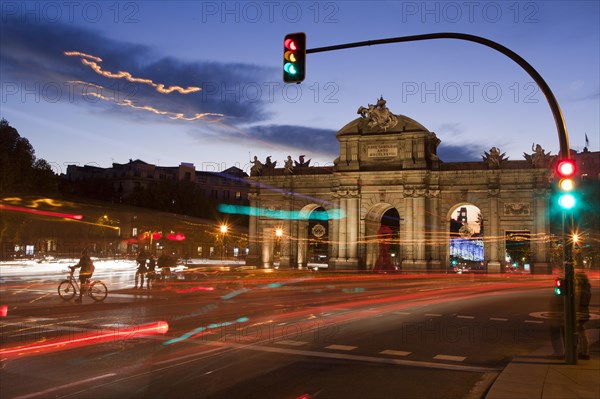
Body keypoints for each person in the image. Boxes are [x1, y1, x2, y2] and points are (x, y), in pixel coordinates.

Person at [575, 270, 592, 359]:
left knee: (581, 332)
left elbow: (578, 301)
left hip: (580, 312)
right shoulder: (587, 287)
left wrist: (576, 312)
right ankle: (583, 351)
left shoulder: (581, 288)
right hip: (584, 311)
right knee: (581, 331)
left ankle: (584, 352)